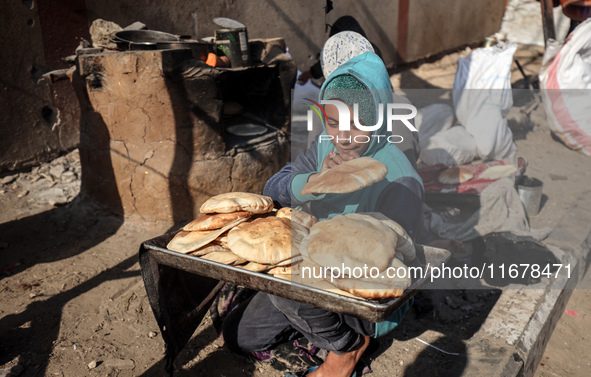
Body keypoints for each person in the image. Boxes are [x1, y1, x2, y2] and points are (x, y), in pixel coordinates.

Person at [221, 51, 424, 377]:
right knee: (239, 335)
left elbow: (388, 277)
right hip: (318, 275)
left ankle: (347, 349)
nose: (343, 137)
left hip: (366, 300)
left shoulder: (401, 181)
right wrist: (314, 183)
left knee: (287, 284)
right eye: (334, 122)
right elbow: (272, 189)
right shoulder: (324, 148)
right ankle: (318, 325)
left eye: (359, 124)